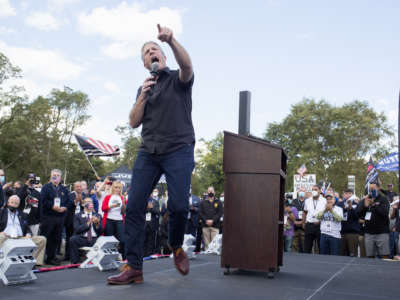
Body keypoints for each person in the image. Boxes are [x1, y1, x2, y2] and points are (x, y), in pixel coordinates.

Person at [107, 24, 195, 285]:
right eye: (147, 52)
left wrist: (171, 40)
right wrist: (142, 97)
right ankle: (133, 267)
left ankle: (176, 245)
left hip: (178, 149)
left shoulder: (177, 79)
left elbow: (188, 67)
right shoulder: (143, 88)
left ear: (163, 57)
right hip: (148, 151)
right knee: (133, 206)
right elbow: (133, 122)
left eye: (155, 49)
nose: (152, 52)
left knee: (178, 206)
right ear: (145, 63)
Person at [0, 195, 47, 266]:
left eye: (16, 203)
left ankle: (33, 263)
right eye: (12, 202)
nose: (13, 204)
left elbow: (27, 228)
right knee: (1, 237)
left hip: (20, 238)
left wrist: (28, 234)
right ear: (8, 202)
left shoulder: (23, 214)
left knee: (42, 239)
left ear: (18, 205)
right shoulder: (2, 212)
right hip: (6, 236)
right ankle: (1, 262)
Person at [40, 169, 71, 265]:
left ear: (60, 178)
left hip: (60, 217)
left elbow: (69, 201)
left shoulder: (64, 189)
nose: (55, 177)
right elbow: (43, 201)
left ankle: (51, 257)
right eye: (54, 175)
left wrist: (64, 208)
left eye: (57, 175)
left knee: (56, 238)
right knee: (46, 237)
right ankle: (41, 258)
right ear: (51, 176)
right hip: (49, 216)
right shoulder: (46, 187)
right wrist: (52, 206)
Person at [356, 182, 390, 258]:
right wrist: (365, 206)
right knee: (370, 256)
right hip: (369, 232)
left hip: (382, 232)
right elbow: (358, 214)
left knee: (384, 255)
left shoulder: (383, 199)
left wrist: (373, 204)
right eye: (370, 189)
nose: (371, 190)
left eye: (373, 188)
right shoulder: (366, 199)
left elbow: (384, 213)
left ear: (378, 188)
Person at [70, 197, 103, 264]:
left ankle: (99, 261)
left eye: (91, 202)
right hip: (83, 238)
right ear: (83, 204)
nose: (90, 203)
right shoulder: (77, 215)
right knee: (73, 239)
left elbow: (101, 231)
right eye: (87, 202)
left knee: (103, 240)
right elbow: (77, 229)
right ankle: (74, 262)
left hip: (94, 239)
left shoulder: (98, 215)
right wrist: (88, 224)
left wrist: (97, 224)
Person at [102, 181, 126, 258]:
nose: (117, 189)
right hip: (109, 220)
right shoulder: (108, 197)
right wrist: (111, 206)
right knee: (110, 240)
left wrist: (124, 204)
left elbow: (124, 212)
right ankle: (110, 257)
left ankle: (120, 255)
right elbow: (103, 208)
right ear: (113, 188)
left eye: (119, 188)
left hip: (119, 220)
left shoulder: (122, 198)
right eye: (116, 187)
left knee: (122, 239)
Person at [302, 185, 326, 254]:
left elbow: (326, 213)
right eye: (312, 190)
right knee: (307, 247)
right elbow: (304, 212)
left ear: (319, 191)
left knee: (320, 246)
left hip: (320, 225)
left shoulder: (324, 200)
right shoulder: (307, 201)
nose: (314, 191)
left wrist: (321, 221)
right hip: (309, 225)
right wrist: (303, 223)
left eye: (315, 189)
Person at [336, 189, 360, 257]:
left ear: (352, 194)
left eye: (349, 193)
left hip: (352, 233)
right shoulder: (340, 204)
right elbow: (338, 214)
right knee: (341, 253)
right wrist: (345, 209)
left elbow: (357, 216)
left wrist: (351, 208)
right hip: (341, 232)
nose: (347, 195)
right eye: (345, 193)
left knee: (352, 254)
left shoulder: (356, 204)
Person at [144, 189, 160, 256]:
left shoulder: (155, 202)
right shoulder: (142, 201)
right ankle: (143, 254)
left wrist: (151, 208)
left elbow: (158, 212)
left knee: (151, 240)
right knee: (143, 240)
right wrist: (146, 208)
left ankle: (149, 254)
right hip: (144, 224)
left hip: (152, 224)